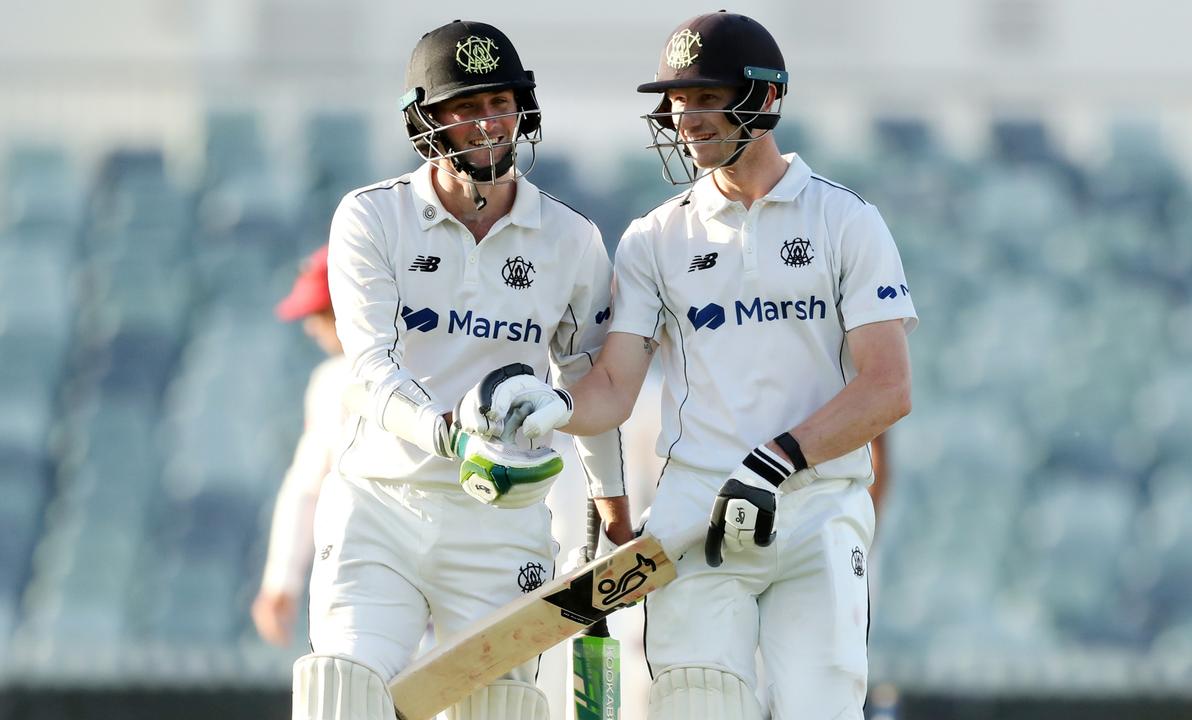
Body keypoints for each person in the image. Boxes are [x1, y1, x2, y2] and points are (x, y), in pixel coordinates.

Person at [468, 12, 917, 719]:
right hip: (697, 521)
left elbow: (888, 388)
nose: (687, 119)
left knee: (821, 705)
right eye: (677, 103)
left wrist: (776, 462)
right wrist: (559, 406)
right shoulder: (655, 237)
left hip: (817, 513)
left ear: (765, 100)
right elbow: (615, 384)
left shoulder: (845, 222)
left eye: (707, 98)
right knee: (697, 706)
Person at [291, 20, 630, 720]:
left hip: (502, 523)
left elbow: (587, 377)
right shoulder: (371, 218)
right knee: (343, 689)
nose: (487, 125)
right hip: (381, 506)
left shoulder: (570, 239)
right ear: (427, 121)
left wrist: (612, 503)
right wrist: (450, 436)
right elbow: (371, 368)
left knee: (499, 705)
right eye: (466, 108)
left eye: (499, 105)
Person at [251, 246, 345, 647]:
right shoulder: (331, 381)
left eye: (321, 313)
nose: (311, 327)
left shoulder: (335, 383)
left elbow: (307, 489)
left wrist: (281, 582)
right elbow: (305, 489)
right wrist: (280, 580)